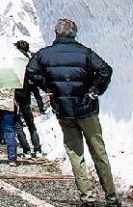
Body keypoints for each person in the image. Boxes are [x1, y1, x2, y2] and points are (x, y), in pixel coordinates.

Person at [26, 19, 120, 207]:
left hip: (64, 110)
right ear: (74, 34)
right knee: (98, 152)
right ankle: (111, 197)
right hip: (87, 109)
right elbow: (105, 70)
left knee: (75, 153)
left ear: (56, 33)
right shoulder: (85, 53)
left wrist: (47, 86)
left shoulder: (44, 54)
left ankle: (87, 196)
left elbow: (31, 71)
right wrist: (94, 91)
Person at [12, 39, 45, 158]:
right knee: (31, 124)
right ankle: (38, 149)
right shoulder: (32, 62)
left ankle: (26, 149)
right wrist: (40, 104)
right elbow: (35, 89)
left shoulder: (15, 62)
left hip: (15, 96)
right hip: (27, 96)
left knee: (17, 125)